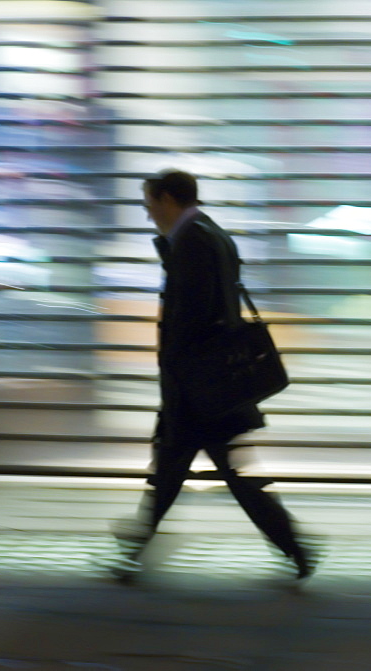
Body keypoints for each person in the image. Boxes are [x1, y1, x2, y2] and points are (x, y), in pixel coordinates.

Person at [112, 169, 313, 581]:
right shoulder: (212, 234)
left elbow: (191, 317)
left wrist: (177, 379)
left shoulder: (193, 242)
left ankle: (294, 545)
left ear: (168, 199)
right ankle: (135, 549)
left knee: (190, 472)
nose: (148, 214)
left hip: (199, 388)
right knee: (179, 472)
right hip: (209, 384)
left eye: (149, 203)